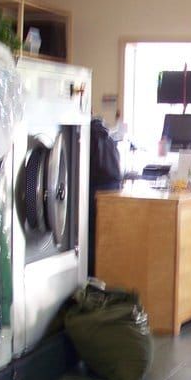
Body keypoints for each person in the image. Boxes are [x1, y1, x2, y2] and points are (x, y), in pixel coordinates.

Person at [88, 117, 122, 276]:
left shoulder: (86, 136)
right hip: (111, 195)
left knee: (90, 238)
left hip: (93, 193)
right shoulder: (106, 137)